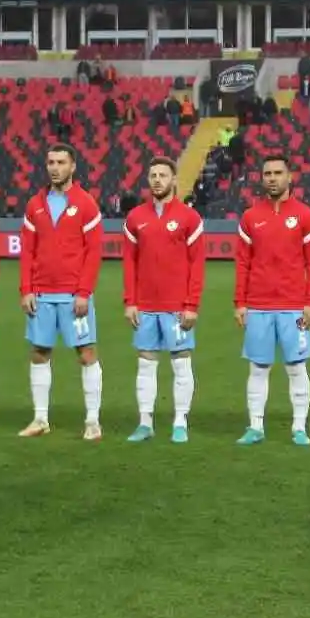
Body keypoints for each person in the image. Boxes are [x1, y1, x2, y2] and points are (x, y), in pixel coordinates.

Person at [234, 154, 310, 446]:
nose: (272, 178)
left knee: (296, 367)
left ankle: (299, 428)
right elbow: (243, 264)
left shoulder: (305, 216)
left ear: (289, 177)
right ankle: (255, 427)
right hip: (258, 306)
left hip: (293, 306)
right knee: (258, 368)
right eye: (267, 173)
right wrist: (240, 303)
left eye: (277, 173)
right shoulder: (250, 217)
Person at [19, 143, 104, 440]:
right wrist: (26, 289)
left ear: (73, 167)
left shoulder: (86, 203)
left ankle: (93, 421)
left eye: (61, 162)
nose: (55, 167)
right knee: (39, 353)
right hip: (41, 295)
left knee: (86, 353)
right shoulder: (35, 204)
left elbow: (93, 253)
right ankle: (40, 419)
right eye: (51, 162)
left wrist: (84, 292)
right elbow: (27, 251)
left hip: (73, 295)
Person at [122, 156, 204, 443]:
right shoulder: (135, 218)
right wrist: (130, 301)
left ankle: (180, 421)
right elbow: (129, 263)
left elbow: (197, 265)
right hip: (145, 305)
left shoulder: (189, 218)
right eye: (153, 175)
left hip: (177, 306)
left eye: (163, 175)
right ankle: (145, 422)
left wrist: (191, 305)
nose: (157, 180)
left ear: (174, 181)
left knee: (181, 363)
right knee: (146, 363)